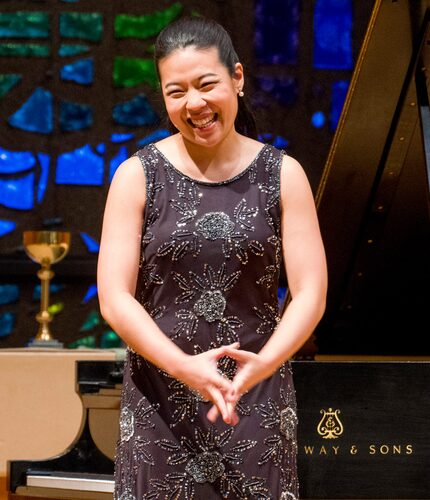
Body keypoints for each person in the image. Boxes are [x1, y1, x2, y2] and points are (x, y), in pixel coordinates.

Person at [97, 16, 327, 500]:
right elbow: (115, 298)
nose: (194, 104)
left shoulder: (284, 174)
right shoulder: (137, 175)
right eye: (175, 91)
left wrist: (262, 366)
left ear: (237, 79)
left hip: (256, 399)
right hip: (159, 403)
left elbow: (310, 292)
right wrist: (184, 367)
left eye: (206, 85)